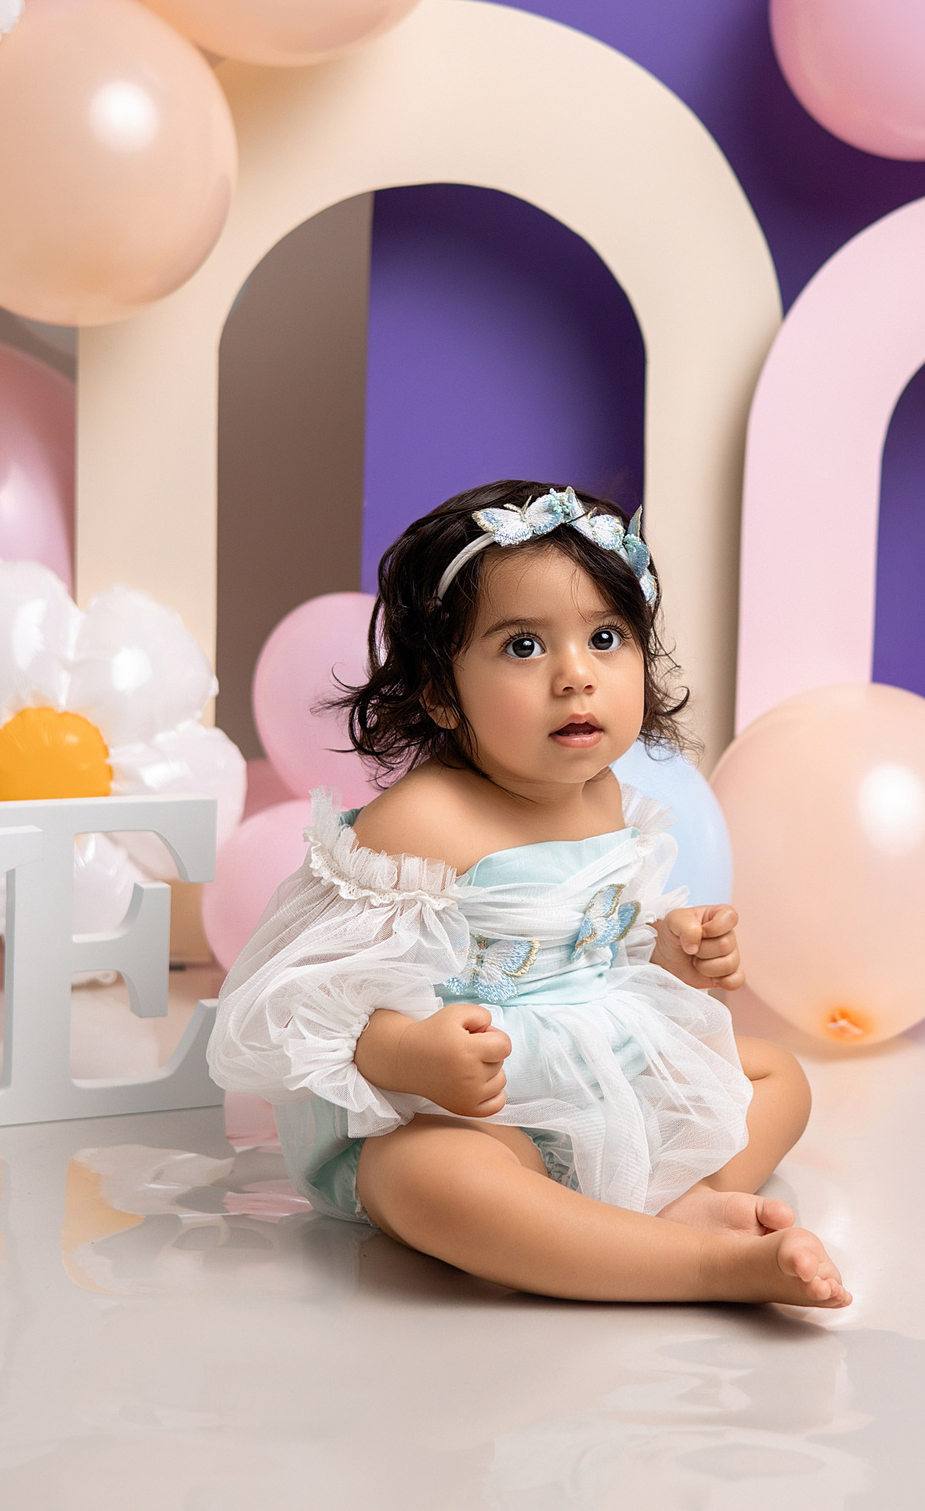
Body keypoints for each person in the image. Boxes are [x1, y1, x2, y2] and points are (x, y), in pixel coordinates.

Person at [208, 482, 847, 1306]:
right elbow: (308, 999)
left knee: (776, 1077)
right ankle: (696, 1262)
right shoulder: (421, 823)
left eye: (606, 638)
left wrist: (673, 947)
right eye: (522, 648)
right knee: (437, 1179)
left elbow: (605, 945)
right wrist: (411, 1054)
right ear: (441, 690)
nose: (575, 676)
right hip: (474, 1108)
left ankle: (670, 1207)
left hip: (598, 1067)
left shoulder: (608, 795)